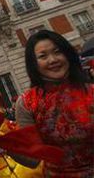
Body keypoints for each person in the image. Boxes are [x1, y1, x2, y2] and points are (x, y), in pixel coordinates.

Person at [15, 30, 94, 177]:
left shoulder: (91, 91)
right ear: (33, 64)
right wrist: (0, 143)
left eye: (57, 52)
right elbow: (33, 159)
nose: (52, 60)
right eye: (43, 56)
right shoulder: (27, 103)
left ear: (68, 55)